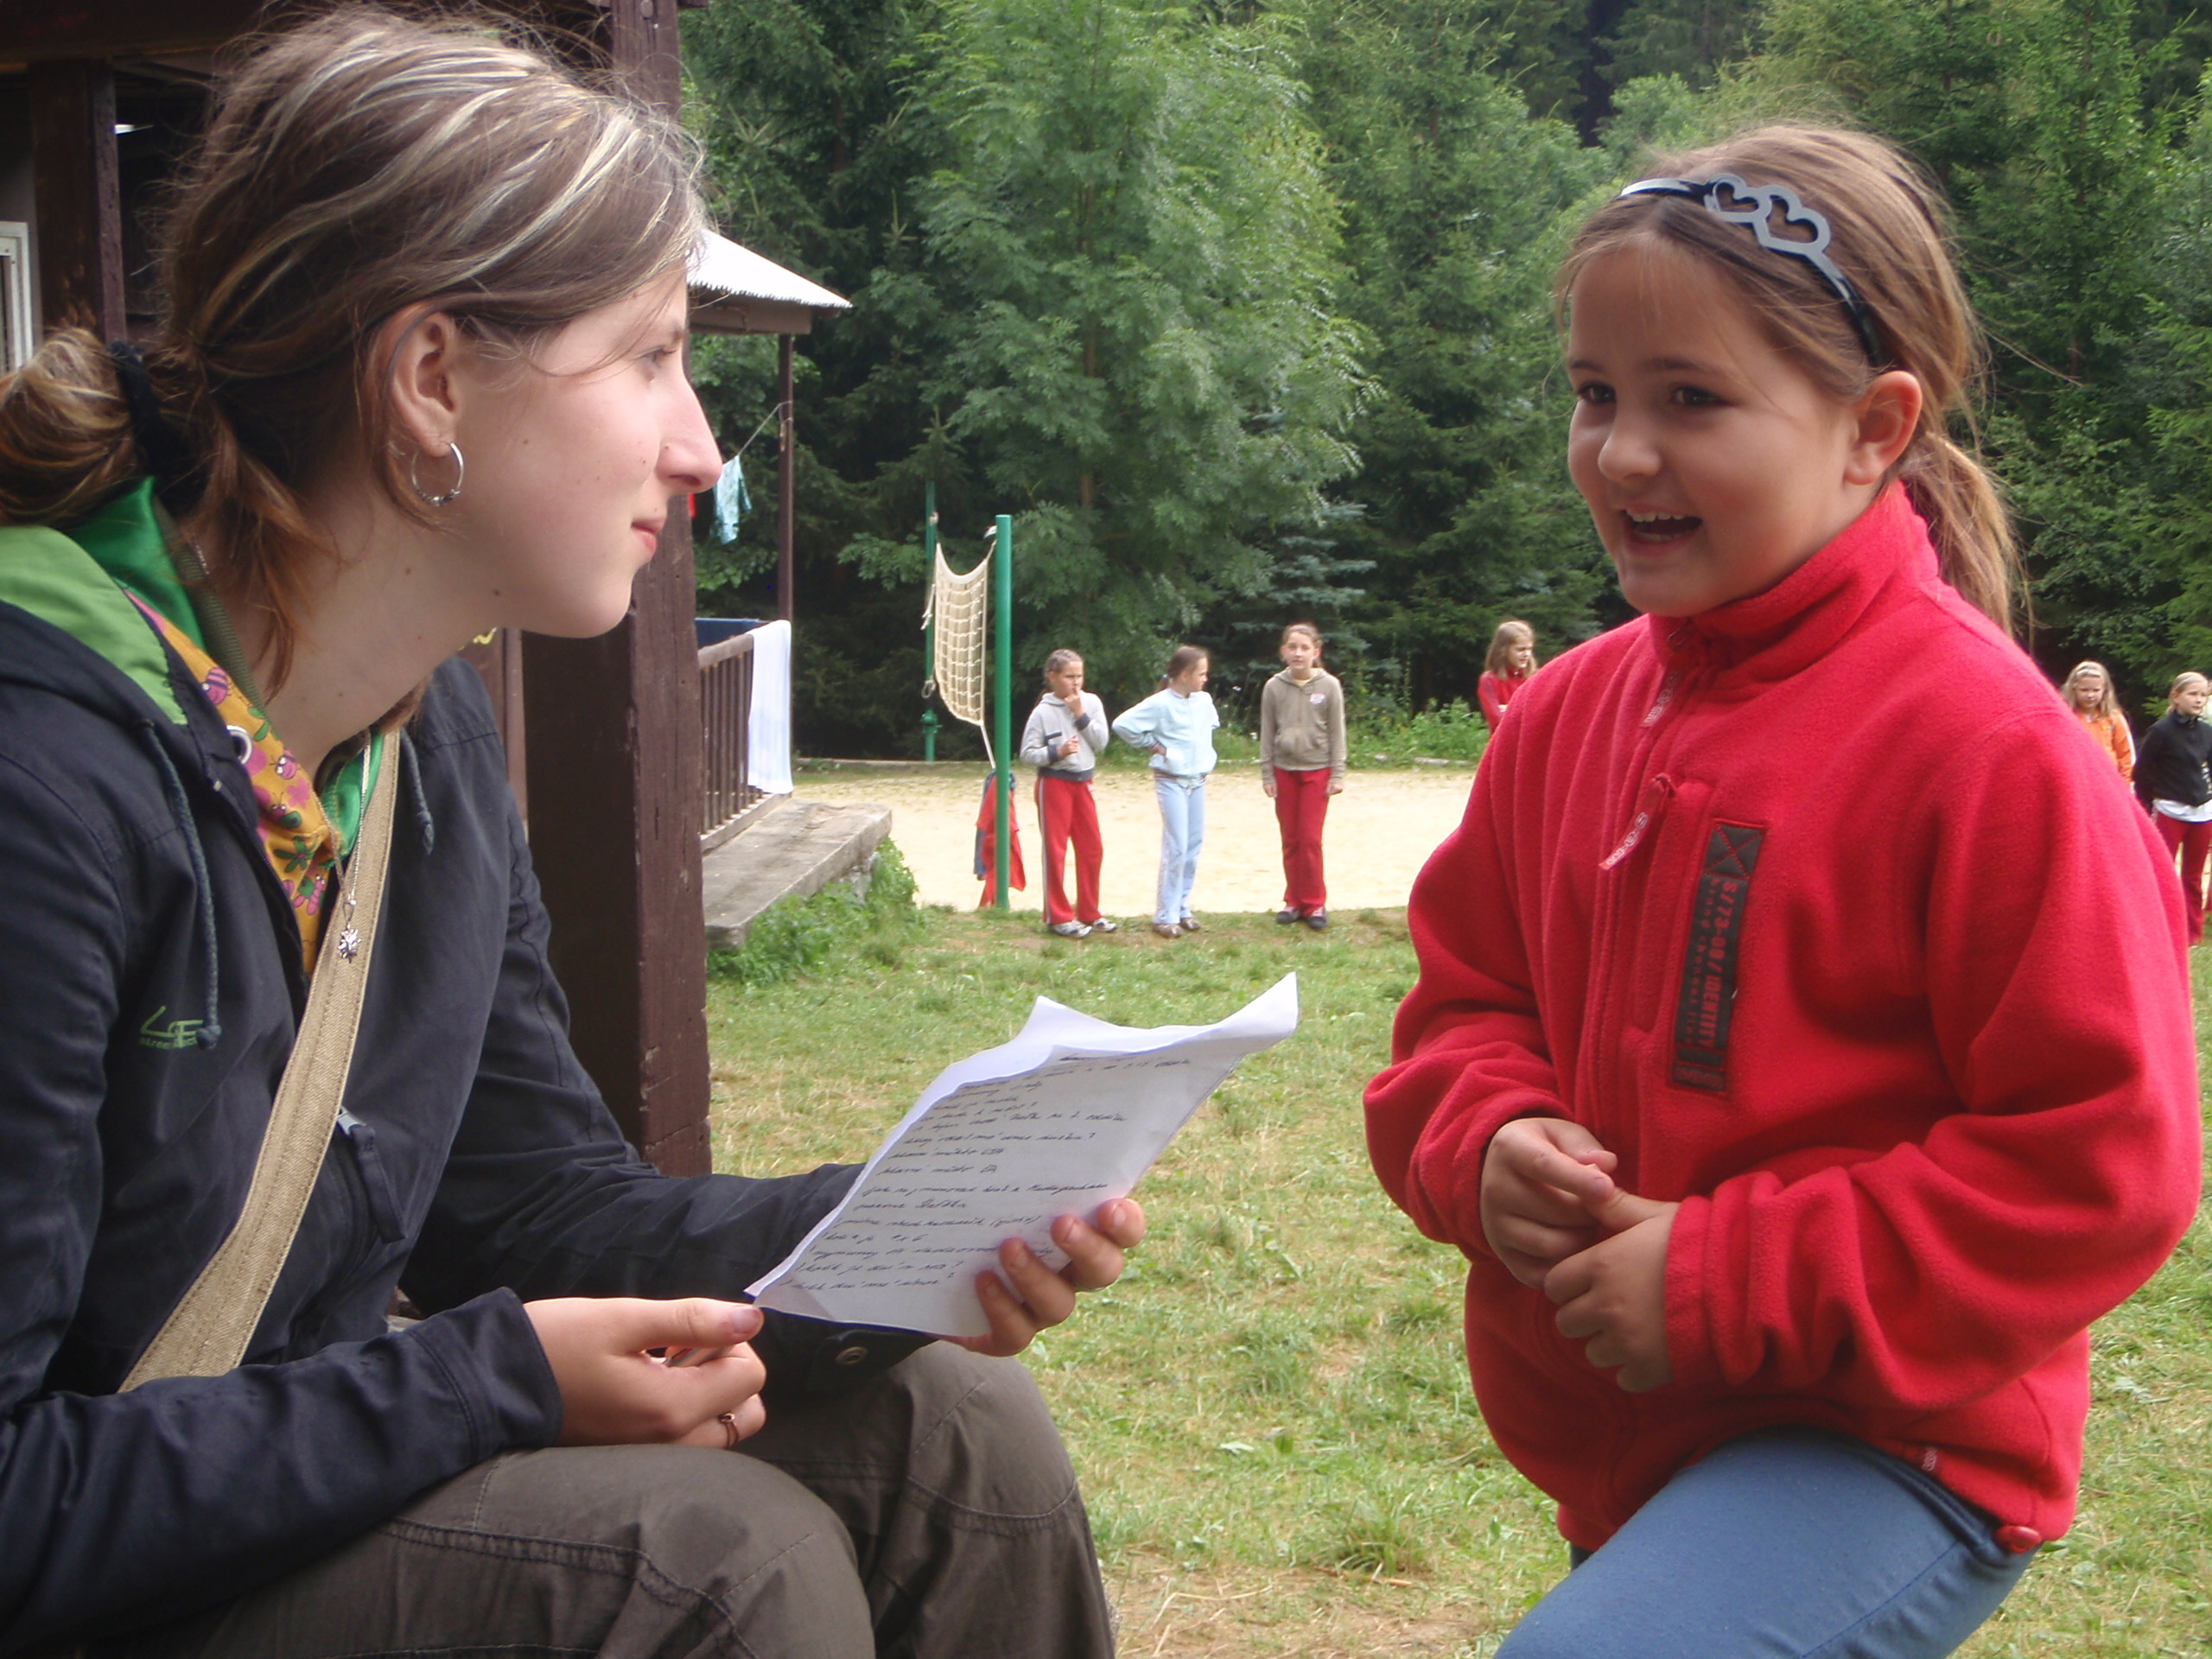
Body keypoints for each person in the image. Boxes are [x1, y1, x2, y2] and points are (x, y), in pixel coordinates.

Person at [0, 12, 1145, 1658]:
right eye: (650, 357)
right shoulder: (38, 775)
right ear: (430, 382)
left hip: (256, 1500)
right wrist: (490, 1379)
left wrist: (905, 1236)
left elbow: (534, 1214)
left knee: (953, 1439)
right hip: (84, 1560)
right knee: (712, 1565)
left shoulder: (422, 744)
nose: (697, 450)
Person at [1365, 126, 2199, 1659]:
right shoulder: (1564, 716)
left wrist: (1719, 1276)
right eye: (1595, 392)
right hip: (1644, 1434)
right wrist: (1483, 1144)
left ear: (1874, 428)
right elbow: (1463, 1012)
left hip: (1896, 1439)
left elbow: (2102, 1164)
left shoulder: (1992, 750)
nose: (1623, 451)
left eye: (1691, 399)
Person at [1112, 645, 1218, 939]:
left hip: (1197, 780)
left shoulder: (1203, 701)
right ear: (1184, 675)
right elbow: (1122, 725)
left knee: (1193, 845)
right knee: (1177, 846)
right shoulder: (1160, 703)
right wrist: (1155, 746)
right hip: (1171, 779)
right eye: (1201, 673)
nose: (1205, 679)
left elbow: (1206, 730)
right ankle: (1165, 915)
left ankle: (1182, 907)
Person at [1020, 648, 1115, 938]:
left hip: (1083, 783)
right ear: (1053, 677)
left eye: (1079, 676)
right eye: (1069, 676)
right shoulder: (1042, 712)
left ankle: (1090, 912)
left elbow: (1101, 742)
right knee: (1055, 850)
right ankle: (1058, 916)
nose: (1075, 683)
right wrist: (1055, 753)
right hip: (1054, 784)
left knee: (1092, 848)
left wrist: (1080, 715)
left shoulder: (1091, 703)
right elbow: (1027, 754)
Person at [1258, 622, 1346, 929]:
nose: (1298, 653)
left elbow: (1337, 732)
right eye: (1292, 647)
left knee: (1309, 840)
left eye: (1305, 648)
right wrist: (1267, 773)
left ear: (1316, 652)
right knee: (1291, 839)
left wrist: (1338, 773)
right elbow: (1267, 732)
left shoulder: (1329, 686)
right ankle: (1293, 901)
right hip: (1284, 771)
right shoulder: (1273, 687)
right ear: (1283, 651)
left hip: (1317, 770)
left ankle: (1315, 903)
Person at [2134, 670, 2212, 943]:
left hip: (2202, 812)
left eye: (2203, 695)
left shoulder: (2207, 732)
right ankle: (2158, 926)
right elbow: (2142, 772)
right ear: (2175, 696)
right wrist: (2150, 804)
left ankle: (2192, 931)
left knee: (2193, 876)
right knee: (2162, 870)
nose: (2199, 700)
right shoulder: (2160, 732)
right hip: (2169, 810)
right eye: (2193, 694)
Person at [2060, 659, 2134, 781]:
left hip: (2108, 781)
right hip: (2076, 779)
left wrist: (2126, 784)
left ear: (2104, 690)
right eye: (2084, 690)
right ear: (2074, 689)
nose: (2090, 695)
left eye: (2095, 690)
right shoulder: (2064, 716)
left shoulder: (2114, 718)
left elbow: (2126, 755)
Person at [1477, 619, 1539, 730]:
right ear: (1503, 650)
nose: (1527, 654)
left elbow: (1543, 714)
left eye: (1529, 649)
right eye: (1520, 650)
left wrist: (1510, 709)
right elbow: (1497, 721)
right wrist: (1527, 710)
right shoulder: (1490, 680)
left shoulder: (1536, 678)